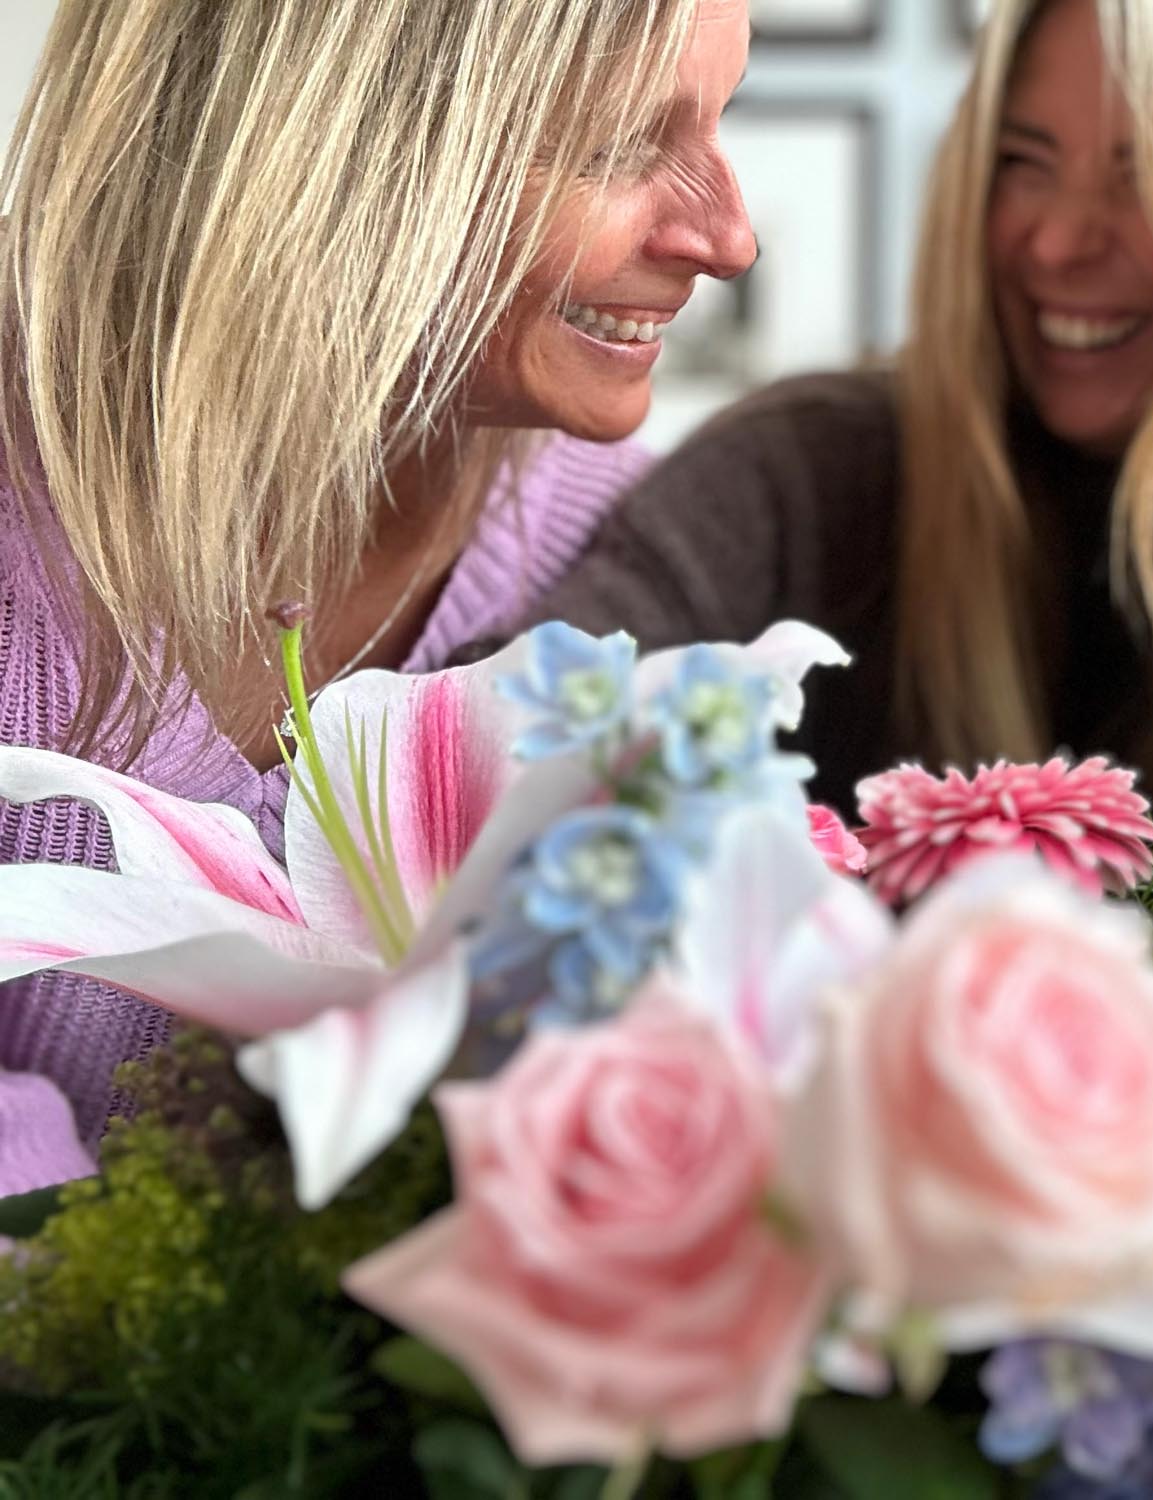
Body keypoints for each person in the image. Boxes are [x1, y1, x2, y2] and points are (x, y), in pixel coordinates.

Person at [0, 0, 758, 1194]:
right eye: (620, 144)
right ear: (329, 141)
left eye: (723, 120)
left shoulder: (621, 554)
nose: (730, 238)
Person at [534, 0, 1153, 807]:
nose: (1055, 241)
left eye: (1148, 175)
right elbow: (479, 750)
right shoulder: (808, 481)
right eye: (1022, 161)